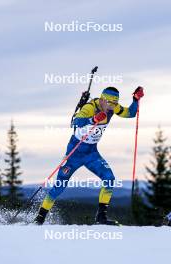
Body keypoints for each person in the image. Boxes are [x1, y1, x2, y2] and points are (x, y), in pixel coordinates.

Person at [34, 86, 144, 225]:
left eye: (115, 104)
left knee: (109, 179)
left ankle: (101, 217)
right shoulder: (90, 107)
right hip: (74, 152)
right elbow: (76, 122)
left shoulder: (113, 107)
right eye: (111, 103)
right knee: (59, 186)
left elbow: (130, 113)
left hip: (91, 153)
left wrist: (135, 99)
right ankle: (39, 219)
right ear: (103, 100)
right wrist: (93, 119)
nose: (112, 107)